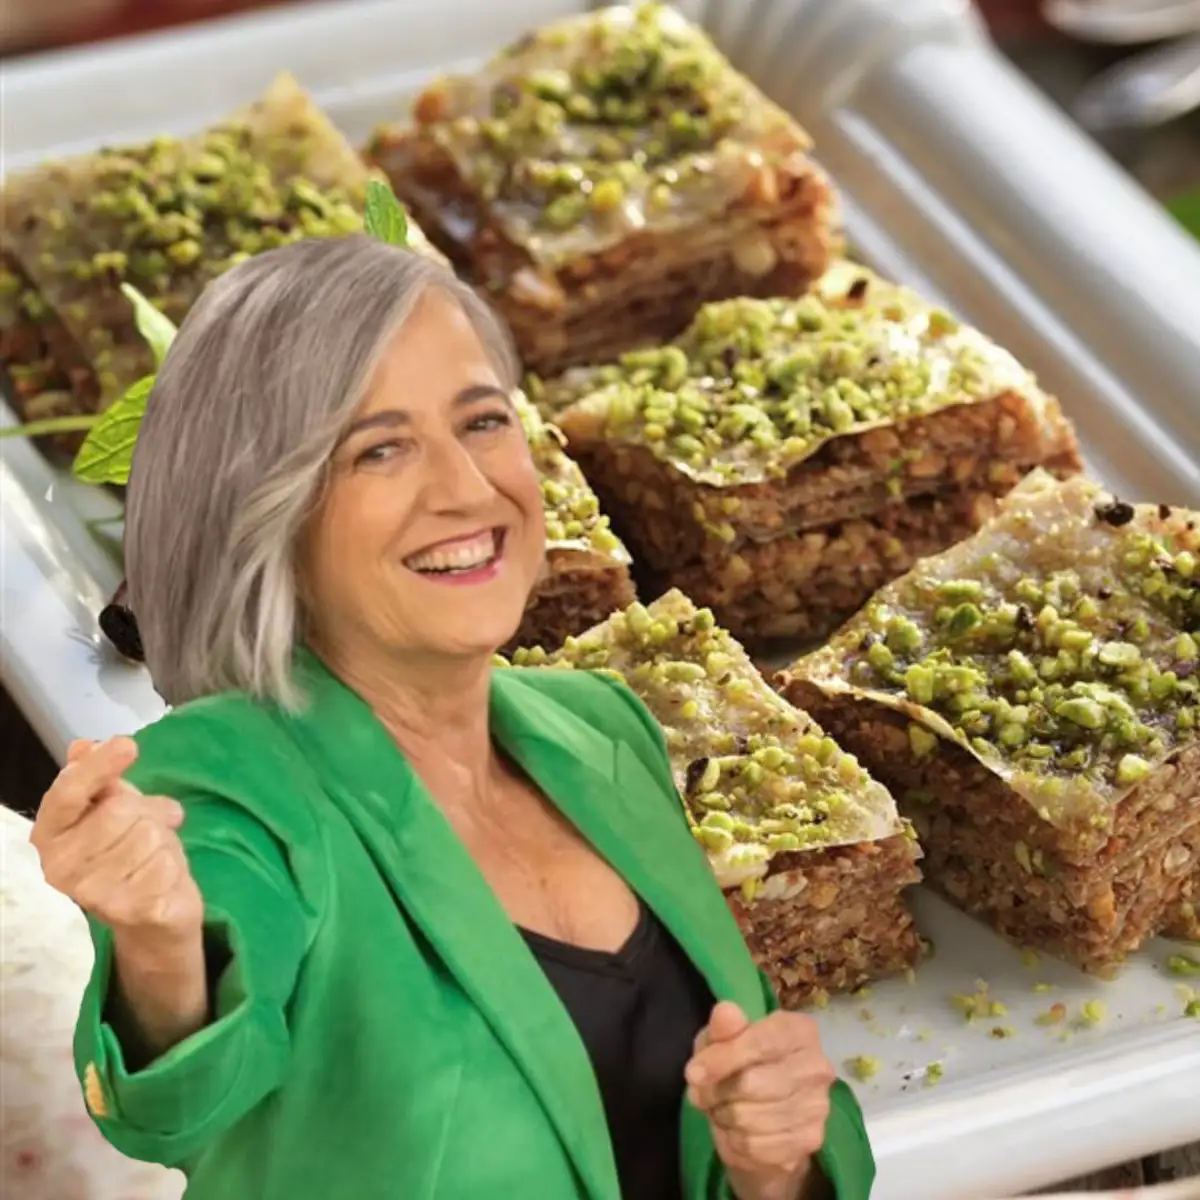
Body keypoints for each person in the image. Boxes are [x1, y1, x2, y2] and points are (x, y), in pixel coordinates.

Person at [30, 236, 875, 1200]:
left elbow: (712, 1143)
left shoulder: (604, 729)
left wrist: (775, 1166)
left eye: (482, 421)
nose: (470, 489)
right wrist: (156, 941)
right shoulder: (218, 780)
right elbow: (179, 1106)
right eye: (379, 449)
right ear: (262, 508)